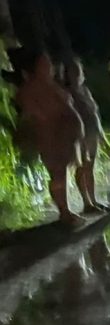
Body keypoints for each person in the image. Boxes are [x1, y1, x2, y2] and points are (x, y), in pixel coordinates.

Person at [3, 47, 86, 226]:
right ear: (35, 67)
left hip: (63, 134)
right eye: (44, 63)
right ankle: (64, 213)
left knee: (62, 173)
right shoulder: (29, 90)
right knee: (57, 174)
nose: (49, 66)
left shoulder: (50, 84)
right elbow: (32, 114)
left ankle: (67, 210)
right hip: (51, 135)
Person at [63, 57, 110, 214]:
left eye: (78, 71)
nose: (77, 74)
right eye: (73, 71)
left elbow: (94, 112)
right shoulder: (68, 93)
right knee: (82, 168)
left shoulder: (84, 90)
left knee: (89, 168)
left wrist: (101, 134)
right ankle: (87, 203)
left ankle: (93, 200)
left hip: (92, 132)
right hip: (81, 135)